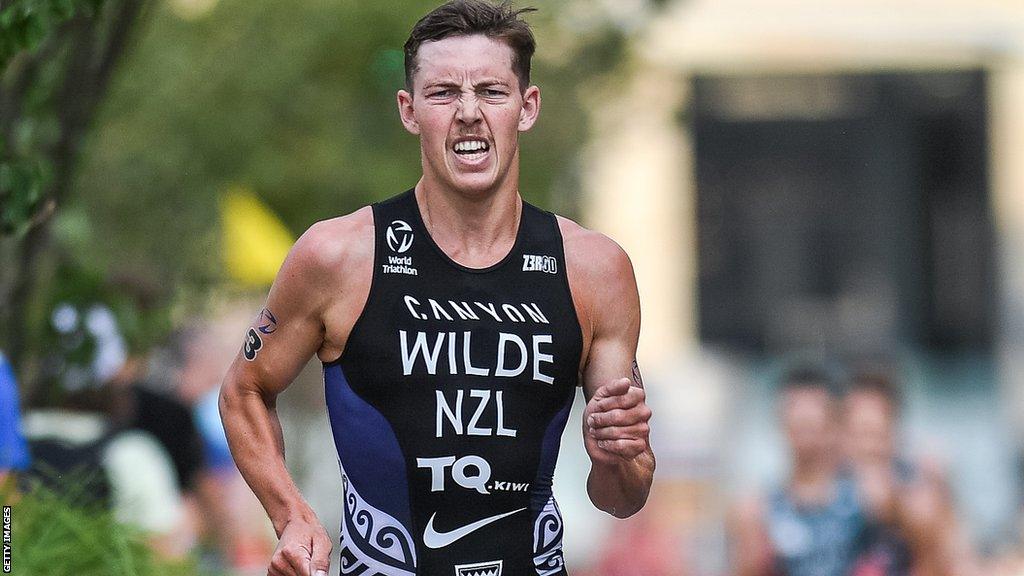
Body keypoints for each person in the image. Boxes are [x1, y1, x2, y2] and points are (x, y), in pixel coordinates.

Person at [218, 1, 655, 575]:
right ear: (409, 110)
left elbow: (622, 496)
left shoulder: (593, 269)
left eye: (492, 93)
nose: (469, 113)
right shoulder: (339, 256)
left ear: (527, 108)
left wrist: (616, 459)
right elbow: (243, 390)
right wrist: (290, 514)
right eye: (444, 92)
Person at [729, 365, 865, 576]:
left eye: (815, 408)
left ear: (835, 422)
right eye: (793, 407)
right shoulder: (758, 510)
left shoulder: (868, 498)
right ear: (779, 420)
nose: (803, 415)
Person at [843, 369, 979, 576]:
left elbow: (959, 558)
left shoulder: (922, 485)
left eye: (877, 434)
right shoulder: (829, 492)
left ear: (895, 429)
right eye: (860, 433)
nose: (869, 447)